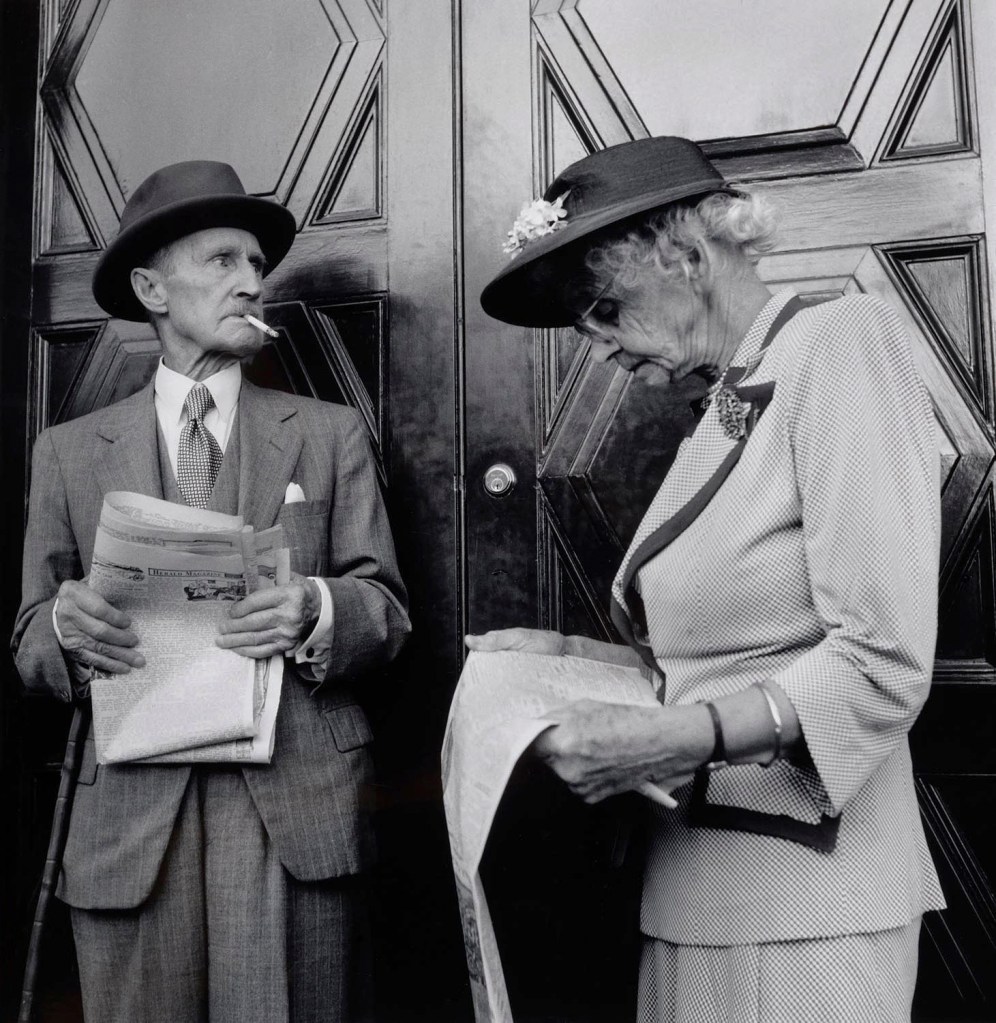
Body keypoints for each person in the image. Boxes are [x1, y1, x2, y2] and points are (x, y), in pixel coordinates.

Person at [469, 136, 945, 1021]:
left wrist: (672, 741)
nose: (597, 346)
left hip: (808, 903)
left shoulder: (838, 344)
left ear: (686, 256)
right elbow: (719, 643)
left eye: (605, 308)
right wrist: (566, 657)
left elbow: (883, 656)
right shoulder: (729, 401)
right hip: (695, 892)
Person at [11, 160, 411, 1022]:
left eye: (257, 265)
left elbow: (386, 610)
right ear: (152, 288)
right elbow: (28, 643)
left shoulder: (330, 434)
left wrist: (317, 608)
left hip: (291, 808)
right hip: (129, 820)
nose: (251, 282)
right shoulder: (70, 451)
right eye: (223, 261)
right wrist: (63, 628)